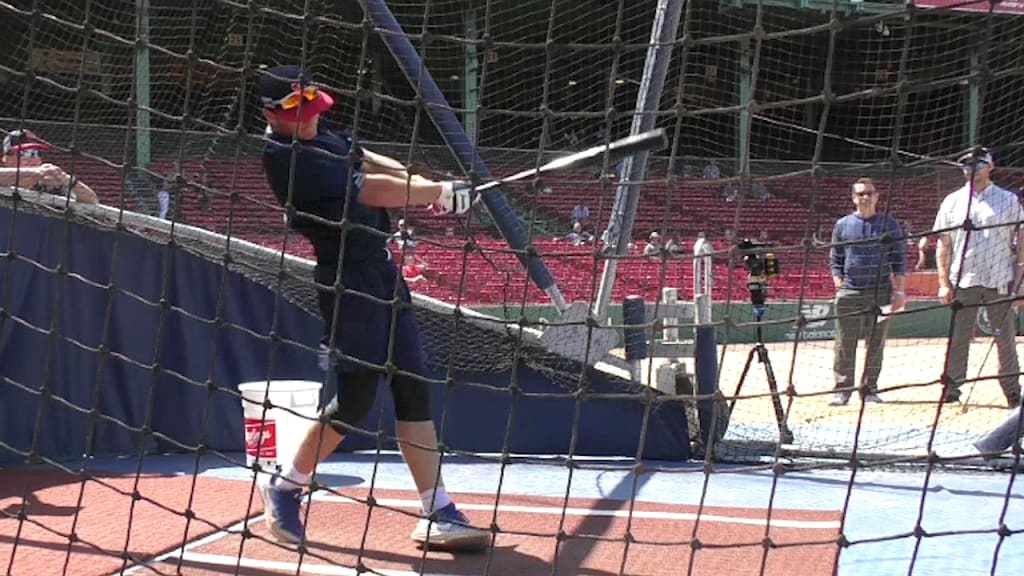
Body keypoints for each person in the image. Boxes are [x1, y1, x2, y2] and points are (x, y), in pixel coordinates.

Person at [256, 65, 487, 550]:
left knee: (413, 390)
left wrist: (420, 180)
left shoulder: (323, 134)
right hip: (347, 280)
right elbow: (364, 188)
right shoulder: (285, 157)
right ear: (271, 114)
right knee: (357, 401)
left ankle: (437, 509)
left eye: (313, 109)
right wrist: (431, 193)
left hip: (384, 273)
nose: (310, 120)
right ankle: (285, 487)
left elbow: (361, 155)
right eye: (297, 113)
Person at [933, 148, 1023, 407]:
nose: (972, 168)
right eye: (967, 164)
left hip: (999, 277)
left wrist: (1020, 278)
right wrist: (942, 282)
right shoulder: (952, 201)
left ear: (990, 166)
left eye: (978, 163)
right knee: (959, 336)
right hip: (963, 278)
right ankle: (951, 389)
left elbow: (1021, 239)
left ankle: (1012, 391)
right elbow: (944, 244)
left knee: (1005, 339)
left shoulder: (1008, 200)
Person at [828, 178, 907, 406]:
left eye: (869, 193)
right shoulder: (842, 225)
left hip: (881, 293)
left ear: (877, 196)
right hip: (850, 292)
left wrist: (899, 292)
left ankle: (870, 389)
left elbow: (899, 260)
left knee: (876, 343)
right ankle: (842, 390)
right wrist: (839, 283)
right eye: (860, 193)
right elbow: (835, 258)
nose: (865, 197)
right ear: (853, 197)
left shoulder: (890, 225)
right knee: (844, 343)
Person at [0, 130, 99, 204]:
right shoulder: (4, 182)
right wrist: (35, 172)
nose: (32, 159)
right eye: (25, 153)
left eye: (36, 153)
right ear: (6, 158)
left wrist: (66, 179)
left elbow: (92, 201)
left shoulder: (50, 187)